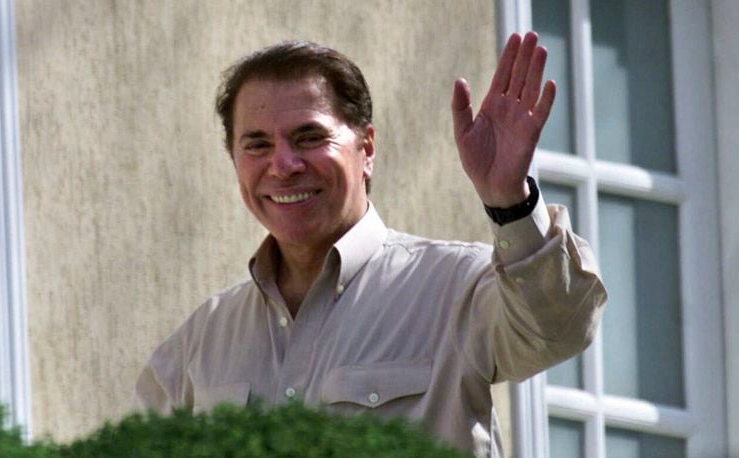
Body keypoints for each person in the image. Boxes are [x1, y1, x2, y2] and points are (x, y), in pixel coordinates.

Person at [135, 32, 606, 457]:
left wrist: (509, 200)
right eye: (256, 145)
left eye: (309, 137)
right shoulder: (198, 348)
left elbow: (560, 327)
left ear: (367, 149)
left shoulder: (453, 290)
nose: (283, 164)